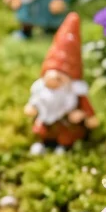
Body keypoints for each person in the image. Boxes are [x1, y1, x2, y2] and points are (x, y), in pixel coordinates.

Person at [25, 12, 99, 154]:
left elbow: (85, 105)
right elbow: (34, 102)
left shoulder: (74, 92)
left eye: (59, 78)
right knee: (44, 131)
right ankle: (44, 144)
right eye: (50, 75)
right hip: (46, 121)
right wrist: (31, 107)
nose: (53, 80)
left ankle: (64, 147)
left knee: (67, 134)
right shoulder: (40, 89)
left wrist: (86, 115)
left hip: (66, 123)